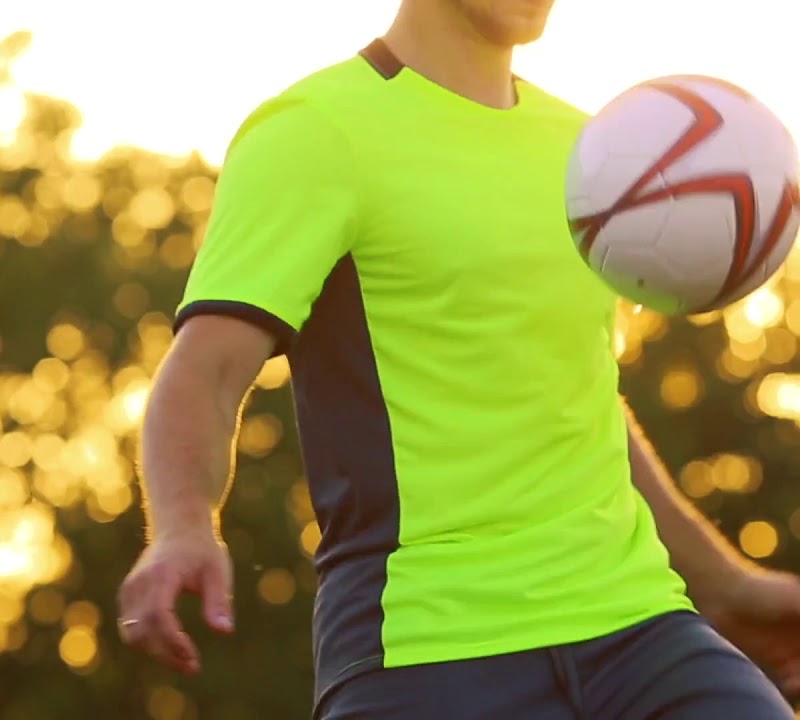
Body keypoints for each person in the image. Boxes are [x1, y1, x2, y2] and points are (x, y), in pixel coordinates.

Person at [115, 0, 800, 718]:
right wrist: (184, 524)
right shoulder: (316, 131)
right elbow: (208, 372)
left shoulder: (594, 156)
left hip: (640, 632)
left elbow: (579, 407)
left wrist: (724, 585)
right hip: (427, 650)